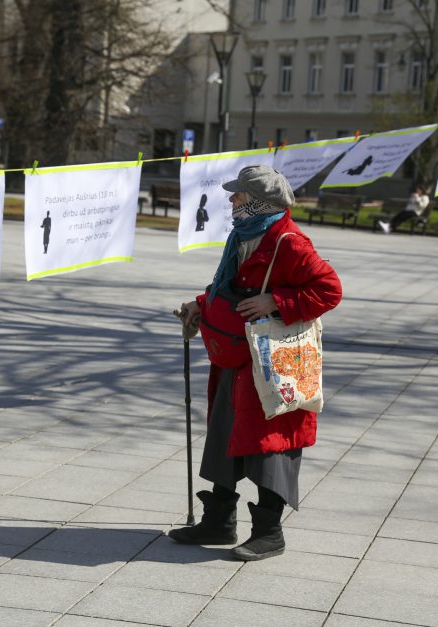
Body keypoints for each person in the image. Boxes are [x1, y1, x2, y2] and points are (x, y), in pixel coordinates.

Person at [171, 165, 342, 561]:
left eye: (239, 195)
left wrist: (277, 302)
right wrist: (201, 304)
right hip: (238, 357)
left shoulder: (290, 242)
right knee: (226, 434)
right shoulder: (244, 235)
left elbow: (329, 289)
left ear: (260, 202)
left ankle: (269, 532)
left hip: (272, 364)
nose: (231, 200)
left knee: (269, 445)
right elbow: (229, 289)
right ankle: (219, 522)